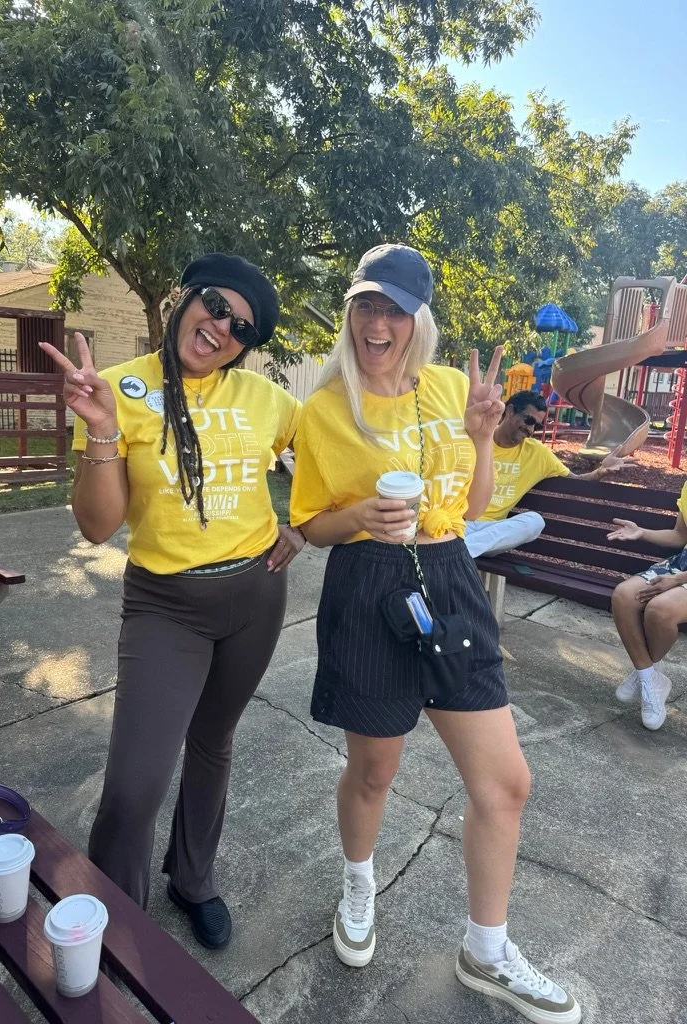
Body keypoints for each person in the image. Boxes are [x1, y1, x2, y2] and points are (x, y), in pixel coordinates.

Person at [290, 244, 580, 1024]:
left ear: (418, 320)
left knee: (506, 783)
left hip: (449, 577)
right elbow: (311, 525)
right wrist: (358, 515)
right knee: (375, 771)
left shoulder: (452, 387)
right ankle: (359, 883)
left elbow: (474, 507)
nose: (376, 323)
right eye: (365, 305)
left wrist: (483, 437)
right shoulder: (325, 409)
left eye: (394, 309)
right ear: (351, 312)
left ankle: (487, 950)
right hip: (368, 582)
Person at [40, 253, 304, 949]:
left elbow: (328, 456)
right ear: (188, 298)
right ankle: (111, 919)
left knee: (213, 742)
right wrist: (103, 428)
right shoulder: (120, 387)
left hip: (256, 593)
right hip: (166, 605)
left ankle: (193, 879)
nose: (221, 327)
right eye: (216, 306)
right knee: (135, 783)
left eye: (241, 328)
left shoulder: (267, 400)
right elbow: (98, 526)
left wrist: (304, 524)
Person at [464, 390, 630, 560]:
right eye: (529, 420)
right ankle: (460, 552)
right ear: (510, 411)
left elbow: (576, 481)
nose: (530, 430)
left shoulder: (537, 453)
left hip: (495, 531)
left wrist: (600, 471)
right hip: (461, 523)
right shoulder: (478, 438)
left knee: (535, 521)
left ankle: (459, 552)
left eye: (536, 426)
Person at [608, 479, 687, 730]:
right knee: (624, 596)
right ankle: (649, 676)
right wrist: (642, 532)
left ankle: (644, 672)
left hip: (682, 575)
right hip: (682, 564)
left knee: (659, 610)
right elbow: (680, 536)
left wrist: (678, 580)